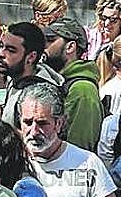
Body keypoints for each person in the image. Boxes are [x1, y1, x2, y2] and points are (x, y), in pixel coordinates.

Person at [17, 83, 118, 197]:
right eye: (28, 123)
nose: (34, 132)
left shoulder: (88, 162)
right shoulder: (12, 161)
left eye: (42, 123)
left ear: (59, 123)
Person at [40, 17, 103, 151]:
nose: (44, 46)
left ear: (70, 47)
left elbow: (78, 148)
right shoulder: (57, 81)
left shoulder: (83, 90)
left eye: (50, 40)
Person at [0, 21, 58, 126]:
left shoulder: (41, 95)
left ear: (31, 57)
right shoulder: (15, 81)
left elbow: (38, 133)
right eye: (2, 46)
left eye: (11, 50)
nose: (0, 54)